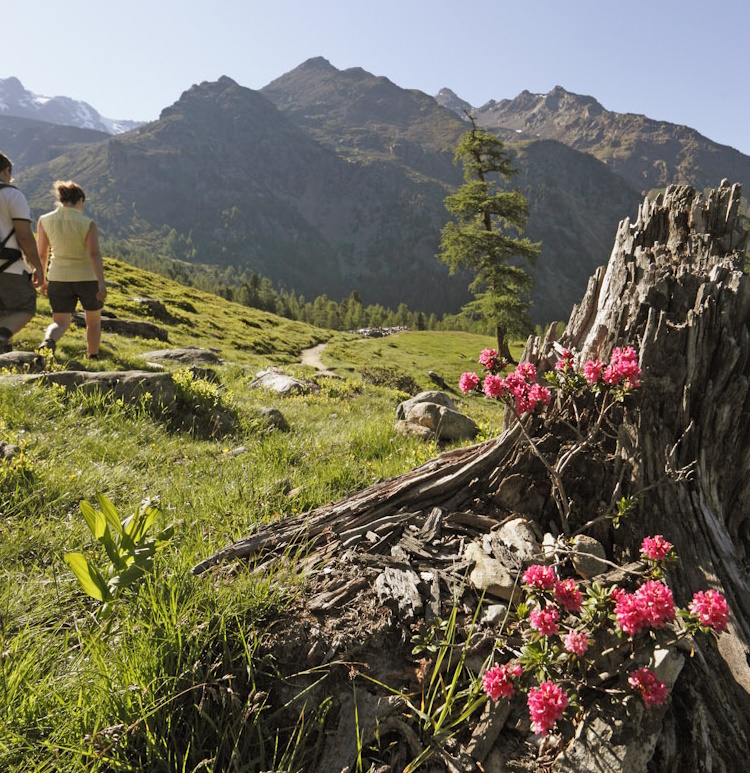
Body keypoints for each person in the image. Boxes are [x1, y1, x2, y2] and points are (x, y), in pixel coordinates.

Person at [37, 180, 107, 358]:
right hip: (86, 277)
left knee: (60, 322)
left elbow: (42, 254)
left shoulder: (45, 220)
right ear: (80, 201)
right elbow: (94, 254)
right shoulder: (88, 223)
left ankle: (49, 342)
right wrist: (101, 283)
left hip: (58, 277)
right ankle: (92, 355)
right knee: (93, 321)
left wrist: (42, 280)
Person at [0, 152, 44, 352]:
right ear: (6, 170)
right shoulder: (12, 195)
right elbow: (24, 236)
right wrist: (38, 267)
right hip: (9, 267)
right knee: (24, 307)